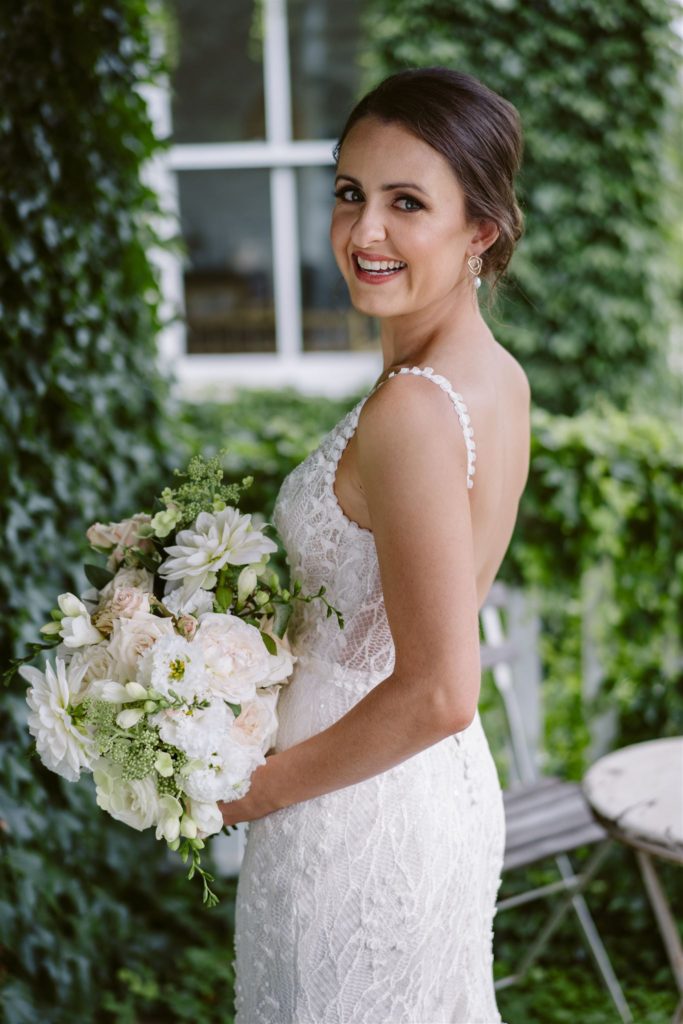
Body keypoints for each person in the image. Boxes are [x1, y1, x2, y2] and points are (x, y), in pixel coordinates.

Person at [221, 65, 530, 1024]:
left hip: (354, 819)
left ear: (479, 229)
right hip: (420, 795)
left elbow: (438, 690)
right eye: (350, 194)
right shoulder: (493, 375)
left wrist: (247, 794)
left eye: (407, 203)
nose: (364, 233)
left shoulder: (412, 410)